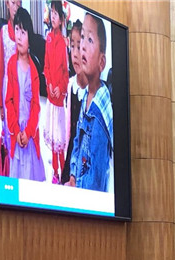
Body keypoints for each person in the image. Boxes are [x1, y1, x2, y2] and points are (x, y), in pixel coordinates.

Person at [68, 12, 113, 192]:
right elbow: (77, 143)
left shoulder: (101, 110)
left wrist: (77, 188)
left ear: (102, 62)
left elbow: (96, 180)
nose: (83, 47)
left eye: (90, 40)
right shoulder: (87, 94)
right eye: (82, 38)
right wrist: (72, 177)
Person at [4, 7, 46, 181]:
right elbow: (8, 101)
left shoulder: (34, 69)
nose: (19, 36)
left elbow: (36, 105)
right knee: (16, 177)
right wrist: (16, 131)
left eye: (23, 32)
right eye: (17, 30)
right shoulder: (11, 64)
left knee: (31, 178)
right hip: (16, 133)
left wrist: (28, 133)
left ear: (30, 37)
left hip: (29, 134)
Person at [42, 0, 69, 184]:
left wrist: (60, 86)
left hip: (59, 99)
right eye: (51, 13)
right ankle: (55, 171)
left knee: (59, 137)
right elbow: (46, 66)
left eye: (56, 14)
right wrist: (50, 83)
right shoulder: (49, 39)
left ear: (61, 19)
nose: (53, 17)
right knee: (52, 137)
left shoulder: (63, 43)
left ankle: (62, 169)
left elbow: (66, 72)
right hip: (51, 97)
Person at [61, 20, 88, 185]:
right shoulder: (71, 85)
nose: (75, 54)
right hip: (70, 156)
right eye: (72, 46)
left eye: (80, 47)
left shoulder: (92, 92)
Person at [0, 0, 21, 176]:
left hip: (21, 87)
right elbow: (1, 67)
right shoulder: (4, 31)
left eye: (19, 3)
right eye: (13, 2)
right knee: (8, 129)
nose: (16, 6)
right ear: (7, 4)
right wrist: (0, 103)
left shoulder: (23, 32)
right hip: (7, 88)